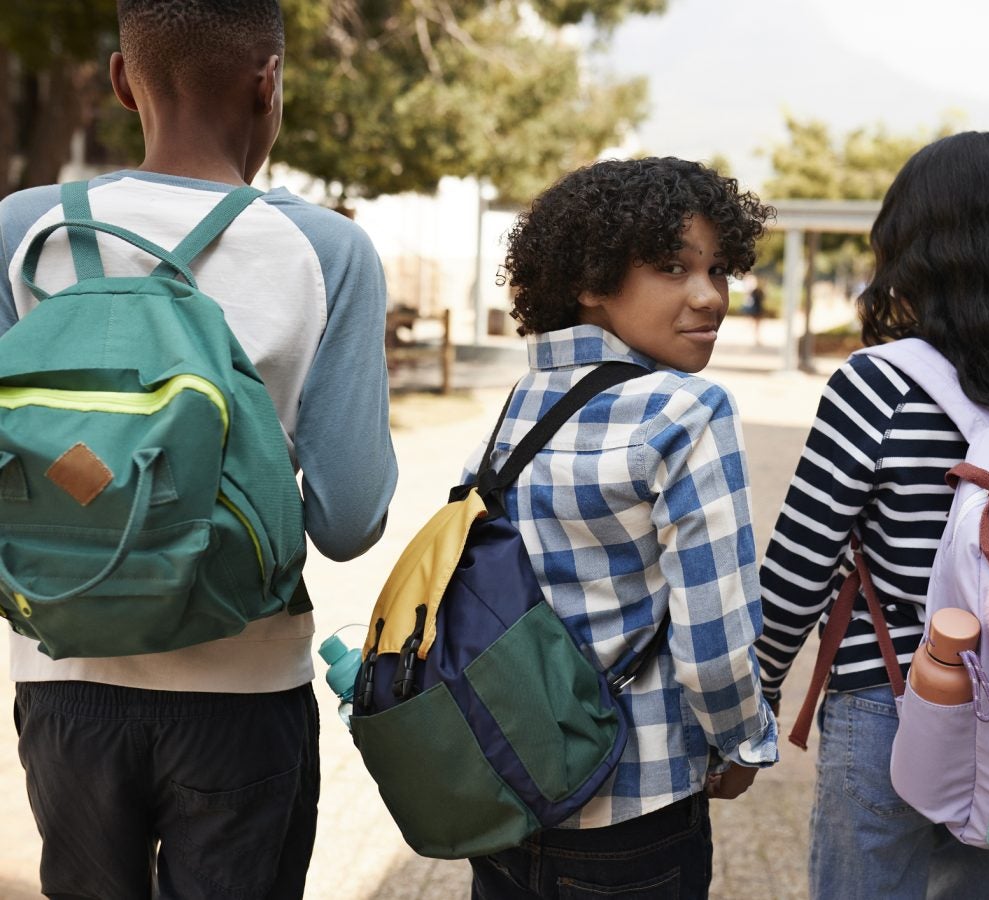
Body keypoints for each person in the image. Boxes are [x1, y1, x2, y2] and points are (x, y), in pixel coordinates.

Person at [0, 2, 398, 896]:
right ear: (268, 84)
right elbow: (351, 518)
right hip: (243, 684)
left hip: (63, 676)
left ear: (117, 79)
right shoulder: (325, 249)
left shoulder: (22, 229)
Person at [755, 132, 989, 899]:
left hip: (889, 701)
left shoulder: (878, 383)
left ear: (913, 245)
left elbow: (800, 562)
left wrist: (754, 696)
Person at [464, 156, 779, 899]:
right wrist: (743, 743)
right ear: (591, 281)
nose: (709, 297)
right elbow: (714, 641)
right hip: (635, 812)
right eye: (674, 267)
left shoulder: (526, 399)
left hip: (510, 789)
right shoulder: (687, 411)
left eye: (719, 269)